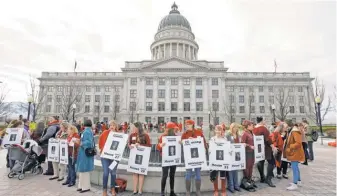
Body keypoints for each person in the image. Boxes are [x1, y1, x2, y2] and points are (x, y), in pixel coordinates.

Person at [181, 120, 207, 196]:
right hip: (188, 158)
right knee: (188, 174)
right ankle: (188, 191)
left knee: (198, 174)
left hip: (197, 158)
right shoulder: (184, 134)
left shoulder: (199, 133)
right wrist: (185, 141)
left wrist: (204, 149)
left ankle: (198, 190)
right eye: (186, 124)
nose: (186, 126)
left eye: (188, 124)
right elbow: (181, 143)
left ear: (192, 125)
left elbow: (204, 143)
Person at [253, 116, 277, 187]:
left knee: (261, 161)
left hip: (259, 148)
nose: (265, 121)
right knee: (272, 162)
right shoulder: (263, 128)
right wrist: (273, 146)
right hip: (266, 148)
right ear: (261, 121)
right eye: (264, 120)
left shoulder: (254, 128)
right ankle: (268, 179)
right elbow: (268, 139)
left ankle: (262, 177)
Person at [128, 122, 151, 195]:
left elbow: (149, 145)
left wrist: (140, 145)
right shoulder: (132, 135)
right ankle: (135, 190)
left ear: (139, 128)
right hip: (134, 156)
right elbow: (129, 143)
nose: (133, 129)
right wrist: (129, 146)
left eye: (134, 127)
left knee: (141, 173)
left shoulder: (145, 135)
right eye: (133, 127)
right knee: (135, 172)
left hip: (143, 157)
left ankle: (140, 190)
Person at [99, 120, 121, 196]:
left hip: (114, 158)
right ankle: (104, 190)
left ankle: (113, 189)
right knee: (106, 173)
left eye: (113, 125)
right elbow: (100, 144)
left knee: (113, 173)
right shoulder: (105, 133)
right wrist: (104, 150)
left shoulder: (119, 135)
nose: (112, 126)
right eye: (110, 125)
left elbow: (121, 147)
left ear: (116, 127)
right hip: (105, 156)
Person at [157, 122, 179, 196]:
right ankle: (162, 192)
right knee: (165, 175)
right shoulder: (163, 136)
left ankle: (172, 191)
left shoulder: (176, 137)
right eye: (174, 129)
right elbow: (158, 146)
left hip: (173, 158)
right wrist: (160, 145)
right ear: (170, 129)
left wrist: (180, 143)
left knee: (172, 175)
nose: (175, 130)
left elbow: (179, 145)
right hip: (165, 158)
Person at [75, 119, 95, 193]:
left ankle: (85, 187)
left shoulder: (86, 131)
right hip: (85, 152)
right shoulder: (89, 131)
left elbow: (88, 142)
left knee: (84, 170)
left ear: (84, 125)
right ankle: (81, 186)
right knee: (83, 170)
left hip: (84, 153)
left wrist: (81, 143)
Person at [284, 123, 305, 191]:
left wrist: (290, 147)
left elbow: (298, 143)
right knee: (296, 167)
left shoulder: (294, 132)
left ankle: (295, 183)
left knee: (294, 168)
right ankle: (298, 181)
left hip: (294, 152)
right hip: (295, 152)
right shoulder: (295, 131)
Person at [209, 125, 227, 196]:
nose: (218, 131)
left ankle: (223, 190)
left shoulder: (224, 138)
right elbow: (210, 149)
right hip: (215, 160)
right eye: (217, 130)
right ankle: (216, 190)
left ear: (222, 131)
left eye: (220, 130)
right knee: (215, 176)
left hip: (222, 160)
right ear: (215, 131)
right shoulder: (212, 139)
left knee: (223, 176)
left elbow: (227, 148)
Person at [240, 120, 256, 192]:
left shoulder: (251, 133)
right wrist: (250, 146)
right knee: (247, 167)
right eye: (252, 125)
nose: (253, 127)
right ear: (248, 126)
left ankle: (249, 181)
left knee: (251, 166)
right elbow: (242, 144)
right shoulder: (245, 133)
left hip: (252, 152)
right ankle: (246, 181)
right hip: (247, 153)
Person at [225, 123, 241, 193]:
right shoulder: (228, 135)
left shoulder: (238, 135)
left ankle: (236, 185)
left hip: (237, 155)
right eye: (234, 127)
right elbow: (226, 144)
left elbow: (240, 144)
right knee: (230, 171)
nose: (236, 129)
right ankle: (231, 186)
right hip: (230, 155)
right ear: (231, 128)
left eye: (237, 127)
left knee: (236, 171)